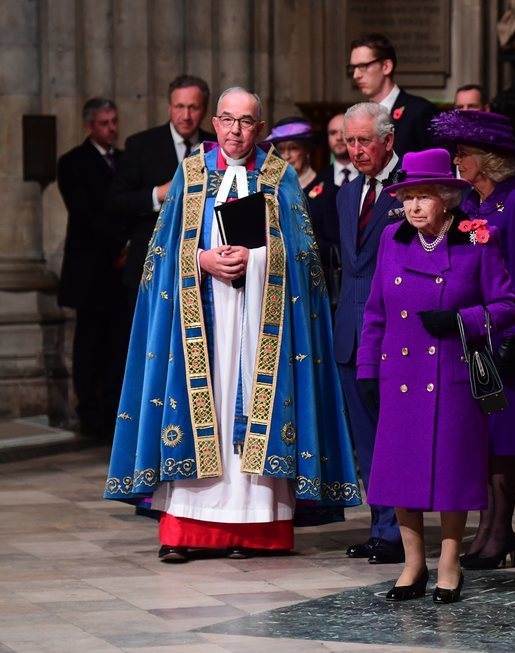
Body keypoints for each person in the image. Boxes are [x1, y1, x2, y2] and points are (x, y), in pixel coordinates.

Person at [104, 87, 360, 562]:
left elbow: (307, 260)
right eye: (227, 120)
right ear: (215, 123)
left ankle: (257, 531)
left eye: (246, 122)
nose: (236, 131)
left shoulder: (280, 178)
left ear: (259, 129)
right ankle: (186, 532)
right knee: (204, 412)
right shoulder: (190, 173)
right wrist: (200, 258)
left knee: (252, 418)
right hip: (200, 321)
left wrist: (259, 258)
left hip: (261, 322)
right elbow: (158, 254)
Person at [357, 148, 515, 603]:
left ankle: (448, 563)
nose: (413, 207)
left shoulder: (477, 239)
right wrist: (369, 367)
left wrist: (461, 321)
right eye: (407, 197)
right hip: (399, 373)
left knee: (451, 474)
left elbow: (508, 306)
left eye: (423, 197)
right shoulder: (392, 238)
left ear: (446, 198)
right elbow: (375, 311)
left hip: (451, 373)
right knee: (398, 472)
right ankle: (413, 565)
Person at [431, 110, 515, 570]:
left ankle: (500, 530)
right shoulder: (471, 205)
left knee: (503, 438)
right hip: (471, 337)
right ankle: (486, 529)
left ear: (487, 158)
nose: (457, 160)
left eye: (463, 153)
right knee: (479, 439)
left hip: (505, 338)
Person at [334, 102, 405, 565]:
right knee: (365, 440)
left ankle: (400, 531)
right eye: (349, 141)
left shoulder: (411, 190)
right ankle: (381, 526)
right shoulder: (345, 194)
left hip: (395, 332)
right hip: (349, 333)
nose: (355, 150)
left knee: (395, 434)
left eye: (364, 141)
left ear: (388, 140)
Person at [56, 97, 128, 439]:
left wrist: (129, 248)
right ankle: (89, 414)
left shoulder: (125, 160)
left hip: (120, 272)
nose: (111, 129)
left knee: (117, 345)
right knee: (89, 344)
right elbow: (86, 214)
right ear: (89, 126)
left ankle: (115, 412)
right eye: (104, 123)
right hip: (91, 270)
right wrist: (118, 245)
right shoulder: (73, 163)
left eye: (114, 122)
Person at [111, 75, 214, 312]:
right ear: (169, 107)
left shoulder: (215, 145)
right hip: (149, 262)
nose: (186, 115)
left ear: (205, 109)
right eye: (179, 106)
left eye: (193, 107)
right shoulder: (141, 145)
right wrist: (159, 193)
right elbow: (117, 200)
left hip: (204, 265)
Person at [264, 117, 342, 310]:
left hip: (316, 286)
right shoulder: (270, 192)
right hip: (279, 287)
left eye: (294, 148)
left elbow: (336, 246)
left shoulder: (330, 190)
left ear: (307, 150)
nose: (287, 156)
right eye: (281, 150)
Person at [348, 33, 438, 157]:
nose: (356, 75)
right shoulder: (358, 117)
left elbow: (433, 168)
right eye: (354, 68)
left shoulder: (419, 111)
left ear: (386, 66)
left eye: (363, 66)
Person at [327, 112, 358, 189]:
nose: (339, 138)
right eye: (333, 133)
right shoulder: (318, 179)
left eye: (344, 132)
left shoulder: (371, 175)